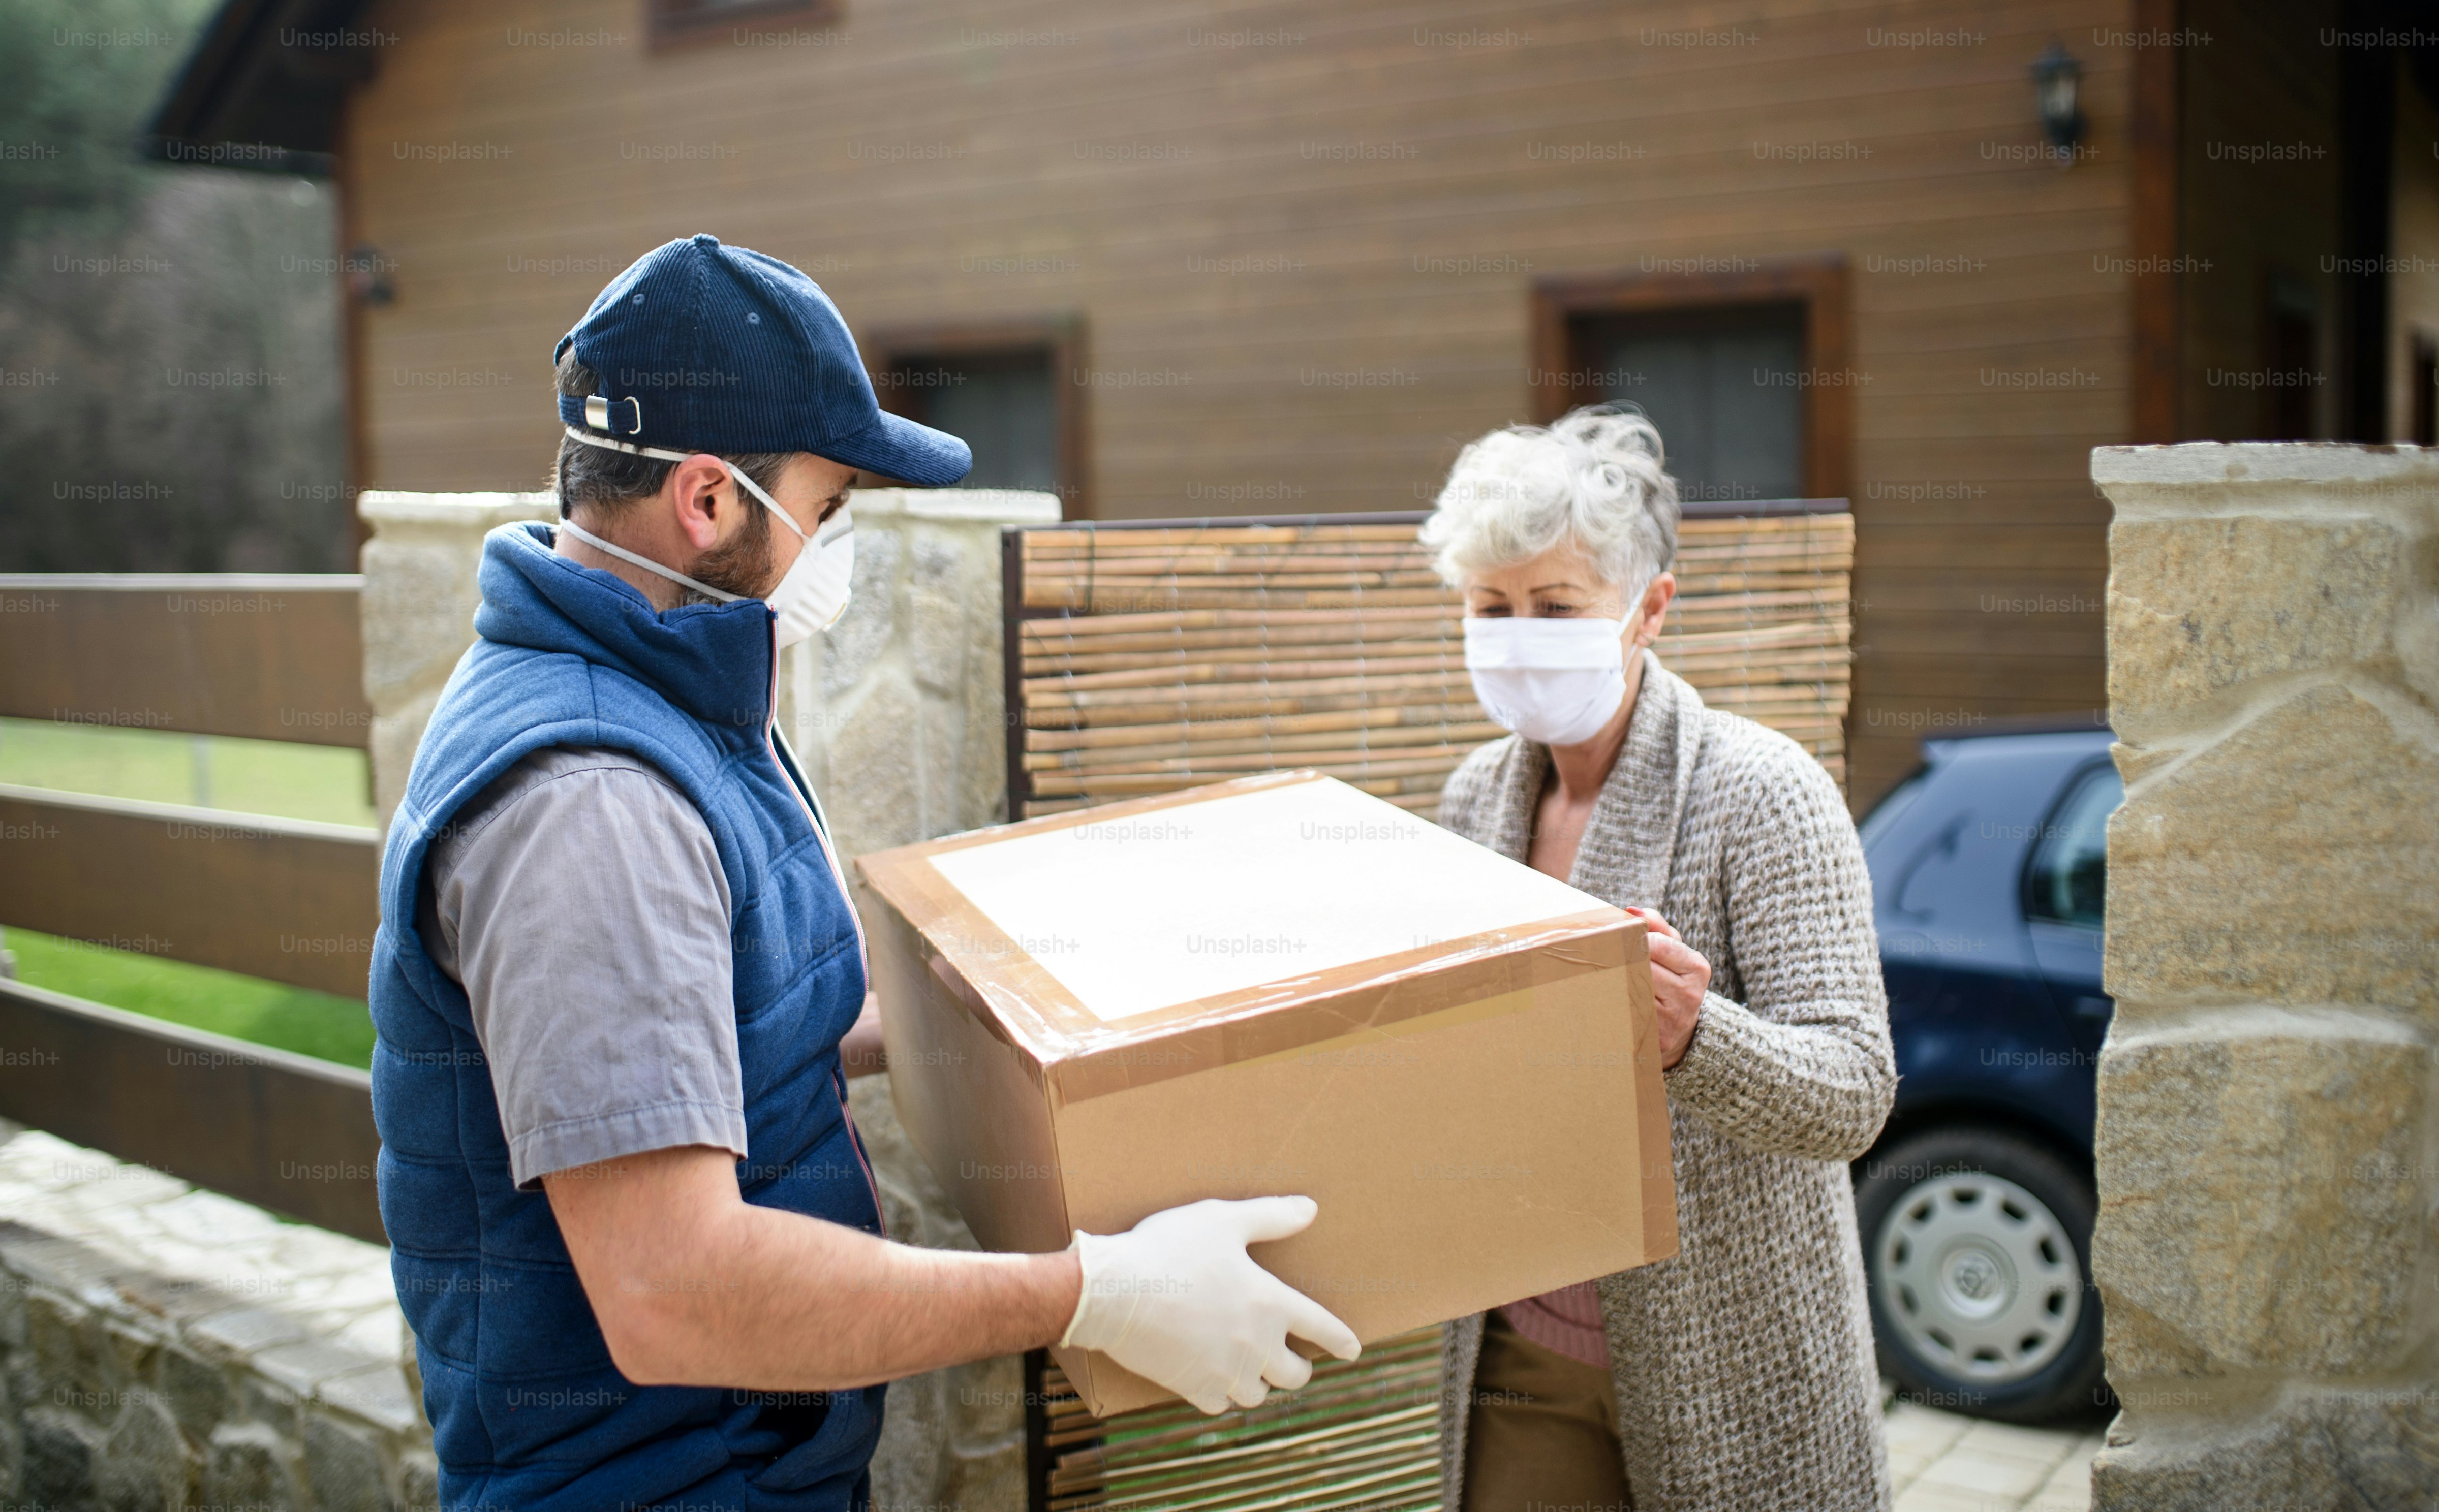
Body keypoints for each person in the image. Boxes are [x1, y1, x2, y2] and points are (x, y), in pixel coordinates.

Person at [367, 235, 1357, 1512]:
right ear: (710, 500)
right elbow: (676, 1290)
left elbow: (709, 1039)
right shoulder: (593, 807)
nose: (836, 547)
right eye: (828, 510)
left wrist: (1024, 994)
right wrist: (1100, 1292)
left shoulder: (664, 696)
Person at [1424, 406, 1895, 1512]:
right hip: (1520, 1350)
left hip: (1730, 1363)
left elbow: (1856, 1092)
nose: (1518, 634)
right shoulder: (1471, 800)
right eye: (1490, 608)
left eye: (1555, 606)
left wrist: (1699, 1036)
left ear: (1649, 610)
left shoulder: (1762, 793)